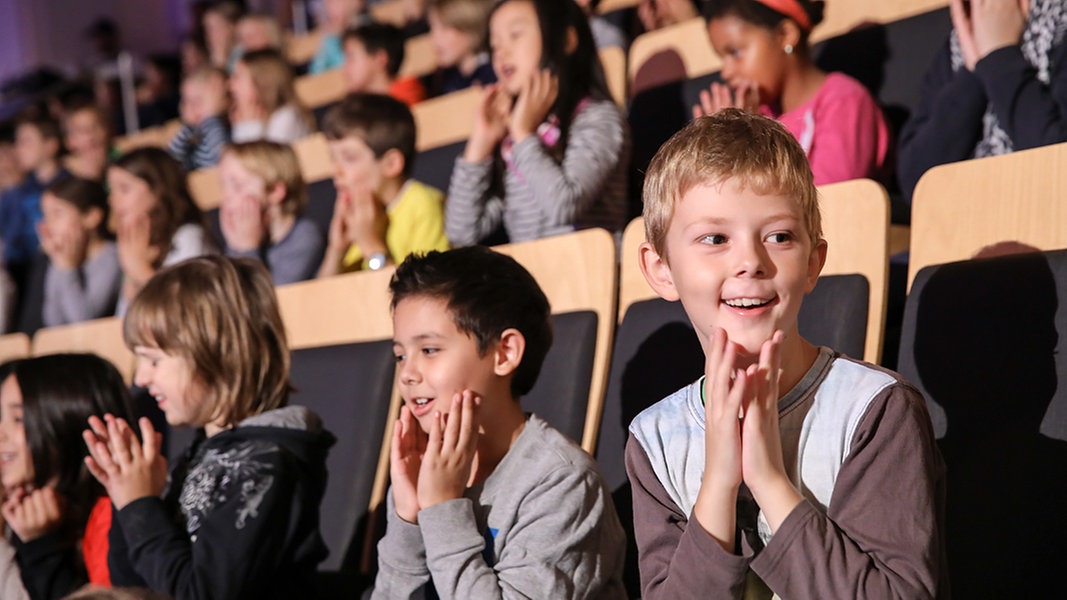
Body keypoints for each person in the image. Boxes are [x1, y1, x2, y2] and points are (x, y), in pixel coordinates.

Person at [627, 109, 947, 598]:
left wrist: (769, 480)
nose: (750, 262)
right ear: (661, 268)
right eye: (715, 239)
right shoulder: (654, 440)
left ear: (813, 262)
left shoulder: (877, 410)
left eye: (778, 237)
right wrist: (718, 483)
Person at [372, 246, 626, 598]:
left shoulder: (561, 482)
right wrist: (408, 520)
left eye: (429, 350)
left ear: (504, 353)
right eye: (400, 355)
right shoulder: (422, 470)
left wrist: (442, 510)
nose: (407, 375)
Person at [83, 255, 334, 599]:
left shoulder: (267, 466)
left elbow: (204, 593)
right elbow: (130, 589)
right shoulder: (201, 454)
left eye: (154, 360)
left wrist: (140, 506)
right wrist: (129, 497)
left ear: (217, 354)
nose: (141, 378)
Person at [445, 0, 629, 246]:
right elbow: (461, 232)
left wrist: (523, 135)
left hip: (589, 275)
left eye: (515, 35)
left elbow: (564, 206)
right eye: (494, 45)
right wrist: (481, 143)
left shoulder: (597, 118)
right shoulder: (513, 143)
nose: (501, 53)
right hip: (532, 279)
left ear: (565, 40)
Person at [693, 0, 890, 186]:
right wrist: (717, 145)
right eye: (722, 57)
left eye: (735, 52)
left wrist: (745, 142)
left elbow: (826, 204)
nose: (725, 72)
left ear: (786, 35)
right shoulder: (760, 115)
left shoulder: (844, 102)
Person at [897, 0, 1067, 200]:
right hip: (966, 223)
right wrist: (975, 70)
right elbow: (916, 183)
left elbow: (1058, 160)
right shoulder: (960, 42)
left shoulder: (1059, 20)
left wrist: (998, 55)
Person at [0, 354, 135, 599]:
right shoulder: (17, 507)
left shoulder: (111, 519)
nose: (1, 434)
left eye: (18, 419)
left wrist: (42, 548)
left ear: (66, 421)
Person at [317, 93, 449, 277]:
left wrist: (371, 246)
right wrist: (336, 250)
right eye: (332, 158)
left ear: (391, 164)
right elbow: (324, 297)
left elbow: (427, 293)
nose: (335, 171)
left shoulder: (423, 205)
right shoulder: (360, 212)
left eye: (349, 158)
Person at [107, 148, 214, 314]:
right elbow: (124, 319)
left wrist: (141, 270)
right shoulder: (139, 244)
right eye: (112, 190)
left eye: (124, 189)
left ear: (157, 189)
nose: (114, 200)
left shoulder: (189, 237)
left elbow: (187, 311)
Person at [219, 141, 325, 284]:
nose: (226, 198)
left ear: (275, 191)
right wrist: (233, 246)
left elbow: (271, 299)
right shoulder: (240, 239)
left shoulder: (305, 236)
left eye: (237, 186)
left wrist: (247, 249)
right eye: (224, 186)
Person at [38, 177, 121, 327]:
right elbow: (53, 321)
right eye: (46, 215)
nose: (47, 225)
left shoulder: (112, 258)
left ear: (92, 217)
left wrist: (67, 268)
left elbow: (84, 321)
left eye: (57, 214)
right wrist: (59, 262)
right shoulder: (61, 260)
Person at [0, 111, 66, 290]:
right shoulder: (16, 192)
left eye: (26, 141)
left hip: (55, 270)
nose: (18, 148)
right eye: (17, 142)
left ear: (50, 145)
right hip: (20, 274)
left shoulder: (69, 186)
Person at [230, 49, 316, 144]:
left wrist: (248, 126)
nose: (231, 85)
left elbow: (263, 157)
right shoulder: (251, 119)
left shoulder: (286, 117)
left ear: (262, 83)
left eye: (237, 77)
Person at [341, 23, 427, 106]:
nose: (345, 69)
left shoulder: (405, 97)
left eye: (351, 58)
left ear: (380, 59)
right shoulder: (357, 106)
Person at [424, 0, 497, 97]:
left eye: (444, 28)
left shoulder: (493, 73)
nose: (434, 38)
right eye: (432, 28)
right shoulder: (444, 77)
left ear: (470, 30)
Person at [167, 66, 231, 171]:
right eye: (186, 101)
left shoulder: (218, 128)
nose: (191, 108)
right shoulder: (192, 131)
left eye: (198, 101)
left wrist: (211, 117)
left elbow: (216, 160)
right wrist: (188, 127)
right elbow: (171, 159)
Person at [61, 101, 114, 183]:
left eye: (95, 127)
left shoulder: (119, 155)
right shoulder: (64, 175)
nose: (91, 135)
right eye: (82, 130)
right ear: (69, 141)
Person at [309, 0, 368, 74]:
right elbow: (315, 74)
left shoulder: (365, 28)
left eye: (335, 3)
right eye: (327, 5)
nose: (330, 10)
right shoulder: (330, 40)